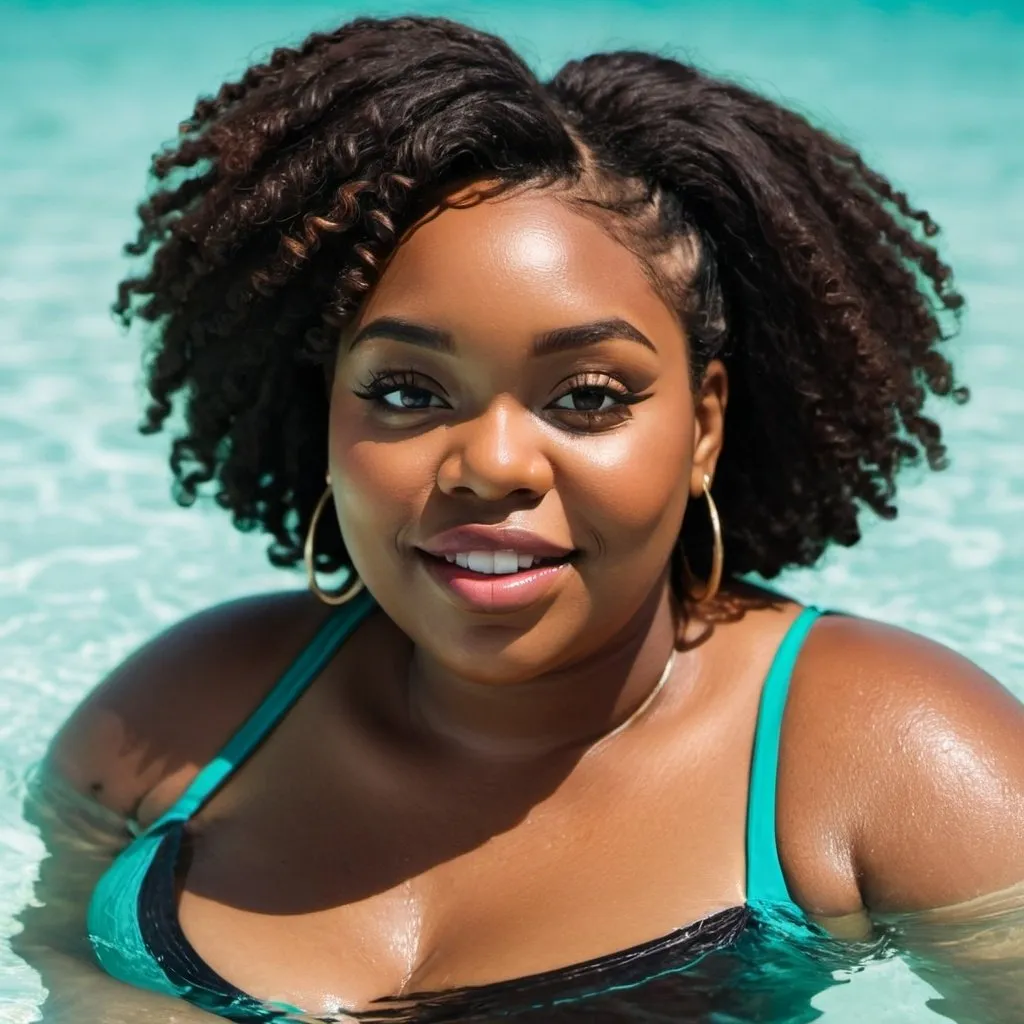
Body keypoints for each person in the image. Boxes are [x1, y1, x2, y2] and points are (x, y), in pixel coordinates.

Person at [14, 13, 1024, 1024]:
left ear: (704, 425)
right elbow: (52, 956)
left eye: (587, 394)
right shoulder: (175, 714)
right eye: (406, 390)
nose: (491, 464)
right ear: (324, 413)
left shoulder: (886, 760)